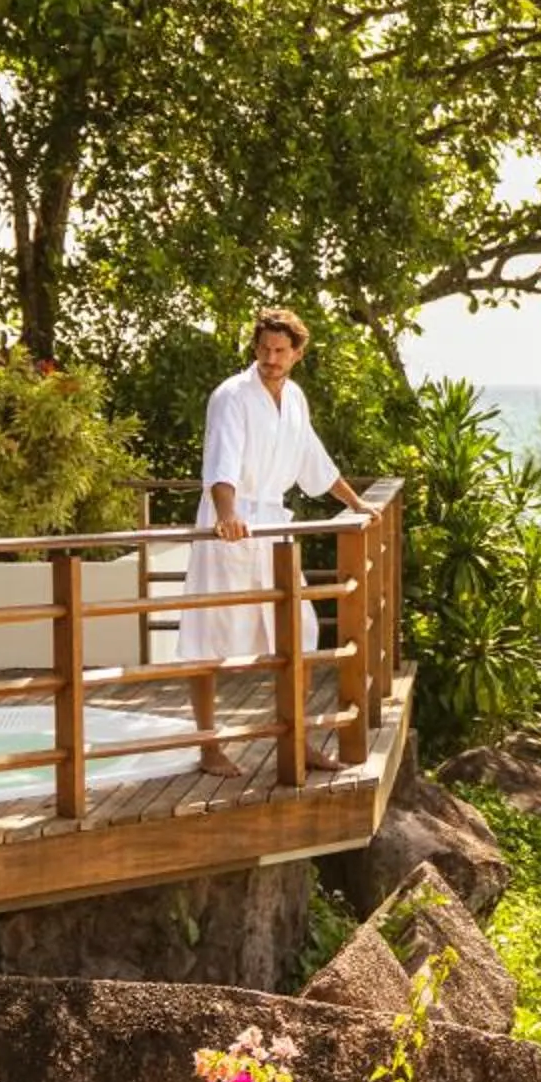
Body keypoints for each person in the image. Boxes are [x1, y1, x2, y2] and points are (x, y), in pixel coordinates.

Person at [177, 307, 371, 773]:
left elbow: (313, 458)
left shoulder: (296, 399)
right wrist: (226, 516)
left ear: (297, 354)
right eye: (263, 349)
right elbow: (220, 462)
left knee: (299, 634)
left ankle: (297, 739)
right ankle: (208, 747)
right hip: (233, 531)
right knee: (211, 640)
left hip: (274, 531)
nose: (270, 358)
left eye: (280, 350)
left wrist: (355, 503)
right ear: (255, 348)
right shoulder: (232, 397)